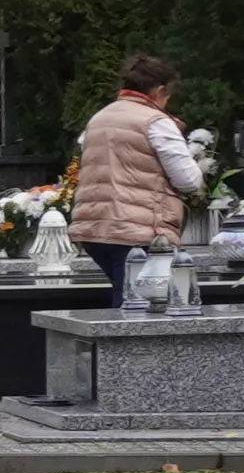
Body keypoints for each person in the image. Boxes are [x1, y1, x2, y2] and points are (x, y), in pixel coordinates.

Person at [63, 54, 207, 295]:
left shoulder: (98, 119)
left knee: (127, 294)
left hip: (94, 231)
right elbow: (189, 181)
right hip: (138, 232)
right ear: (160, 91)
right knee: (139, 304)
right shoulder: (156, 122)